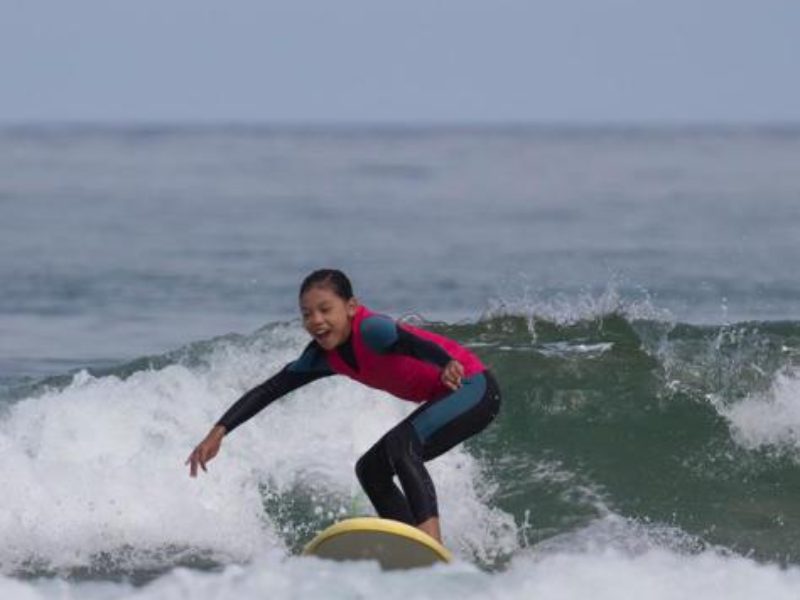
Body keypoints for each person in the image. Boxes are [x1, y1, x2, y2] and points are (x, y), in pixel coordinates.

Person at [186, 269, 501, 543]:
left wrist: (445, 362)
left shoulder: (371, 330)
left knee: (401, 444)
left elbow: (411, 342)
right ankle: (414, 546)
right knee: (371, 470)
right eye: (307, 314)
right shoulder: (323, 356)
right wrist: (219, 431)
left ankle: (432, 543)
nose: (316, 320)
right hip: (448, 397)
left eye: (325, 309)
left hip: (473, 387)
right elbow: (272, 388)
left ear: (351, 307)